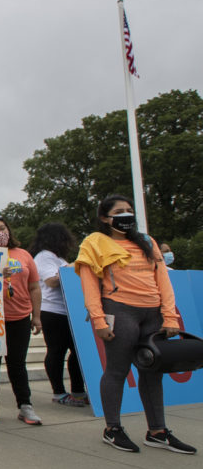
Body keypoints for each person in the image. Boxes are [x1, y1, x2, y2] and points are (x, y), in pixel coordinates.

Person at [74, 194, 196, 455]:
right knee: (117, 370)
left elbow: (163, 280)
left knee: (152, 370)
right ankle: (113, 428)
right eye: (120, 211)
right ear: (105, 218)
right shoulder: (95, 243)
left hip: (152, 313)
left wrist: (170, 316)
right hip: (119, 310)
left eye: (129, 210)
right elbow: (89, 285)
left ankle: (157, 431)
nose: (126, 214)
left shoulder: (147, 242)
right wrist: (98, 319)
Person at [0, 215, 43, 425]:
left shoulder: (23, 255)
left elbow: (34, 287)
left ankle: (25, 405)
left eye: (1, 228)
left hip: (20, 317)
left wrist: (37, 316)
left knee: (17, 363)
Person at [30, 223, 87, 407]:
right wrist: (73, 267)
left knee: (78, 351)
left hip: (66, 310)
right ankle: (59, 392)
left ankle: (78, 390)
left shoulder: (58, 258)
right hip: (52, 310)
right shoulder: (44, 257)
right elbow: (52, 281)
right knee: (57, 351)